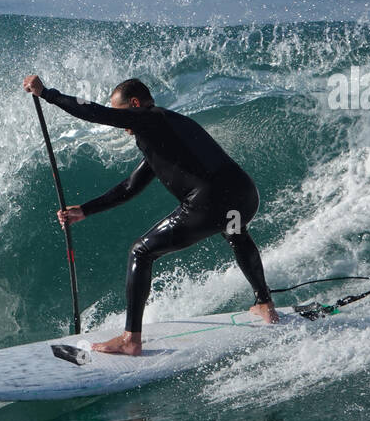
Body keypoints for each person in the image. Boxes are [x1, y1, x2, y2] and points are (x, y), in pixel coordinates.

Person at [23, 75, 279, 356]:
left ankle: (131, 339)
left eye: (123, 115)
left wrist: (48, 93)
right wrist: (85, 210)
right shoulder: (164, 131)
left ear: (135, 104)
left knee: (140, 252)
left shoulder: (150, 118)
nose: (123, 127)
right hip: (243, 195)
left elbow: (96, 113)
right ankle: (264, 303)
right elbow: (130, 187)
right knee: (235, 232)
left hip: (211, 201)